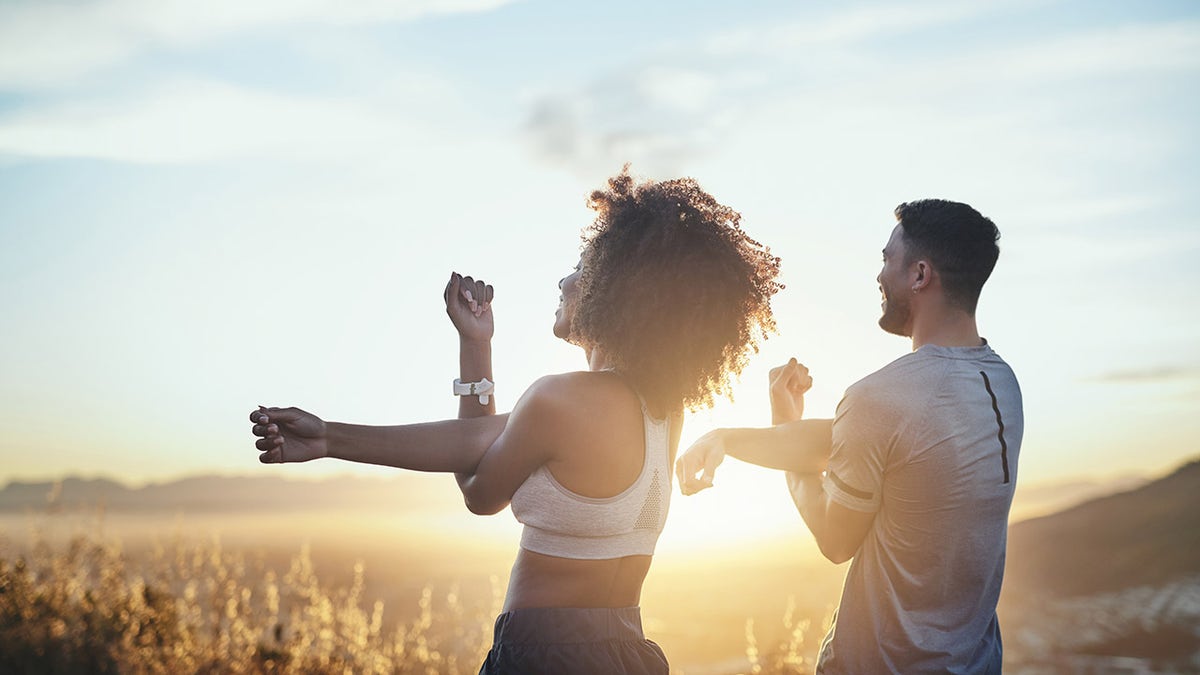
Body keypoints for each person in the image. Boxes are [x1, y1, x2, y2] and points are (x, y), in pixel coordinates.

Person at [250, 169, 782, 674]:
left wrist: (329, 439)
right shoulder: (664, 411)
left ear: (619, 288)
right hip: (628, 652)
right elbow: (480, 439)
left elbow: (478, 488)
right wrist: (475, 345)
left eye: (584, 266)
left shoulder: (562, 399)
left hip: (545, 658)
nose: (565, 279)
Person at [677, 199, 1023, 674]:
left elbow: (834, 539)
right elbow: (885, 445)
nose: (879, 275)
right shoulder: (1001, 385)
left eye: (886, 260)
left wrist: (778, 433)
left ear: (920, 275)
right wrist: (731, 437)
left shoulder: (879, 397)